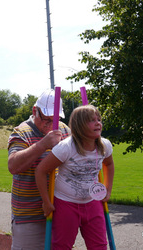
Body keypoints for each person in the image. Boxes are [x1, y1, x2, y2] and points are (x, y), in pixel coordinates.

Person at [35, 105, 115, 250]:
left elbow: (108, 164)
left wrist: (108, 189)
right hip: (66, 204)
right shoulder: (66, 148)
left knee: (100, 246)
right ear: (79, 126)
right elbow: (41, 171)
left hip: (93, 202)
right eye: (92, 120)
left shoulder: (104, 145)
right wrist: (46, 202)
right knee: (62, 246)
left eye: (99, 119)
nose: (98, 123)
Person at [7, 89, 71, 249]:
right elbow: (13, 166)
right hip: (29, 216)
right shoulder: (21, 132)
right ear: (35, 111)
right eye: (46, 120)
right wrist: (43, 144)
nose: (50, 125)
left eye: (54, 120)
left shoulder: (64, 130)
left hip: (58, 211)